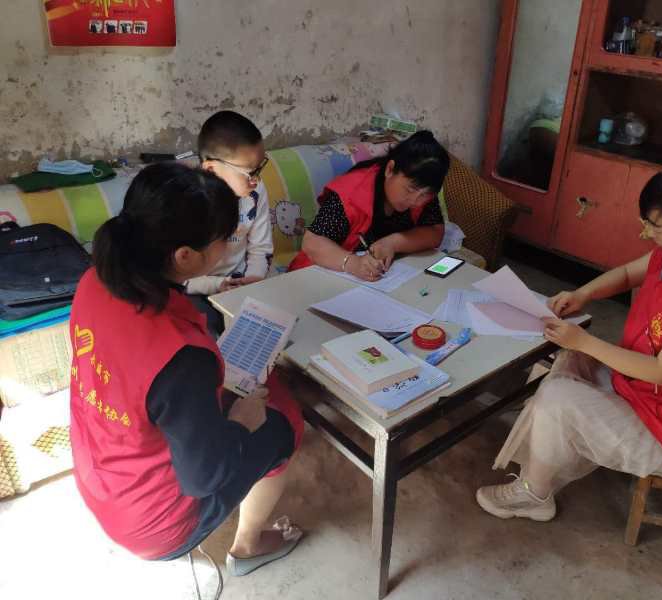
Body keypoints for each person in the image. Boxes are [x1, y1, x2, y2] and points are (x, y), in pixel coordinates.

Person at [476, 158, 662, 521]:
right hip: (643, 393)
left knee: (558, 395)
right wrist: (583, 294)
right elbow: (626, 275)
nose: (646, 234)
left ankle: (535, 494)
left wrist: (583, 341)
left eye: (656, 227)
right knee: (566, 362)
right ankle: (542, 458)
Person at [69, 162, 304, 576]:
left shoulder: (95, 281)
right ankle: (249, 545)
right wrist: (241, 422)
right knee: (283, 418)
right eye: (224, 239)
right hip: (156, 525)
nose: (229, 246)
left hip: (99, 481)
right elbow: (202, 478)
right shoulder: (182, 356)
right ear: (184, 256)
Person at [289, 130, 450, 280]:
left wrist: (393, 243)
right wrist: (352, 263)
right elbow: (312, 242)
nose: (415, 201)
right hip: (317, 276)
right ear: (390, 169)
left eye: (424, 195)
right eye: (410, 189)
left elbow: (435, 232)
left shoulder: (423, 192)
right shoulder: (352, 193)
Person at [187, 110, 273, 336]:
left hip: (243, 282)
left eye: (260, 168)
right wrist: (217, 285)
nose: (256, 180)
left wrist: (254, 279)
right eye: (250, 172)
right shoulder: (185, 202)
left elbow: (261, 249)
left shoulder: (255, 192)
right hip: (196, 289)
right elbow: (174, 275)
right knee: (207, 333)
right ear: (211, 169)